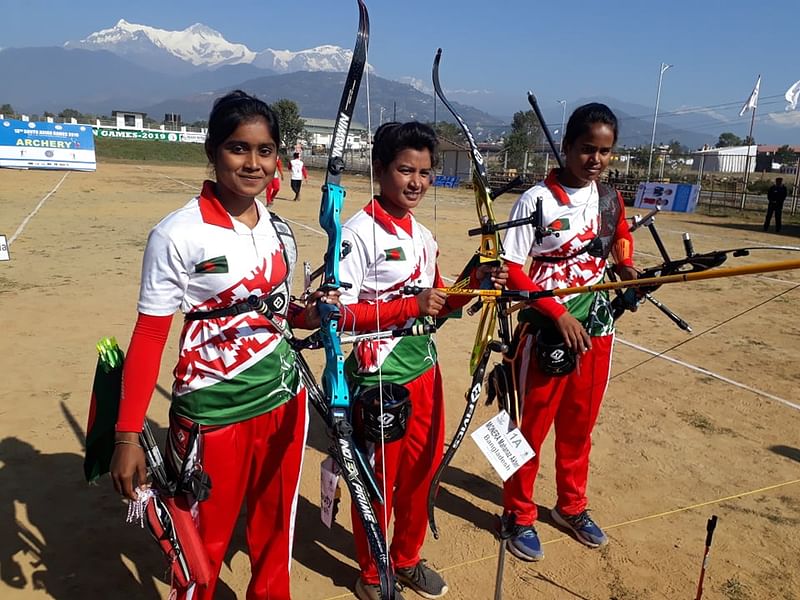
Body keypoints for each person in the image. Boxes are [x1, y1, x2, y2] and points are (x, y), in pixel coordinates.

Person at [109, 90, 335, 600]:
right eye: (238, 148)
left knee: (276, 536)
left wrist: (312, 311)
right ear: (211, 151)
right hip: (213, 410)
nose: (253, 163)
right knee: (200, 549)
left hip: (282, 400)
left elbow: (277, 311)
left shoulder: (276, 228)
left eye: (264, 150)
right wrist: (126, 437)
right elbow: (149, 335)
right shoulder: (177, 233)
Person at [337, 121, 506, 600]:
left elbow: (440, 305)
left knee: (421, 473)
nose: (416, 182)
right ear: (379, 169)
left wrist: (473, 281)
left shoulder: (424, 234)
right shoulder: (356, 233)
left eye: (425, 173)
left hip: (423, 372)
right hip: (379, 376)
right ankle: (372, 573)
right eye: (404, 170)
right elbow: (337, 315)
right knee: (376, 483)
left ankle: (406, 559)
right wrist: (409, 306)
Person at [498, 103, 637, 562]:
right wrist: (557, 312)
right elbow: (511, 270)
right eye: (586, 149)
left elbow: (621, 249)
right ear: (567, 146)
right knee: (528, 429)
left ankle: (571, 506)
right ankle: (517, 514)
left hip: (597, 330)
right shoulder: (536, 199)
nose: (595, 160)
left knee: (579, 428)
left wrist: (631, 275)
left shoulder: (611, 201)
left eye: (605, 152)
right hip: (547, 332)